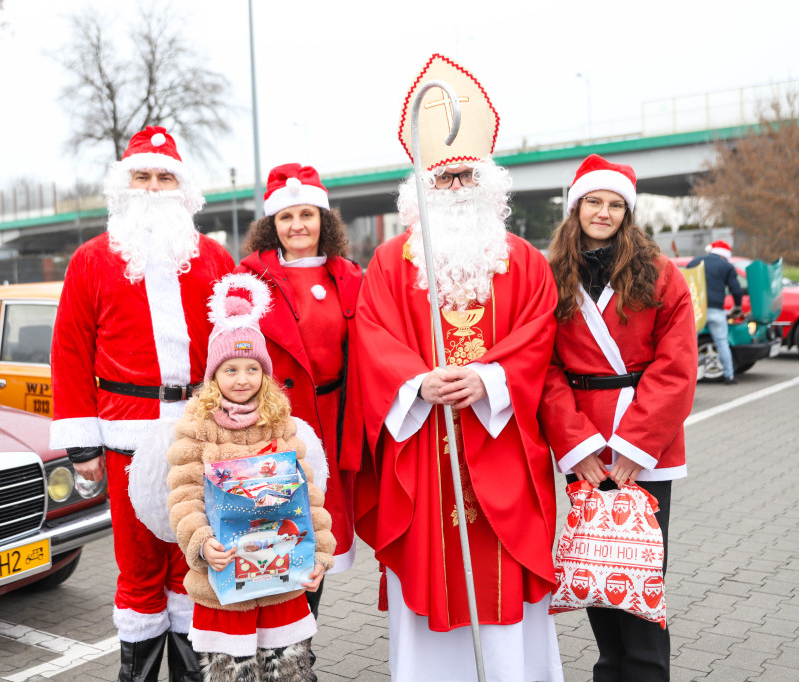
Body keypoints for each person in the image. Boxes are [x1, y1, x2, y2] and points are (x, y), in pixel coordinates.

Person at [354, 54, 564, 681]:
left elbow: (539, 334)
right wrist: (418, 382)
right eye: (443, 178)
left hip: (503, 448)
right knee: (430, 574)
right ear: (421, 187)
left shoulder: (525, 262)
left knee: (505, 589)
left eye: (466, 176)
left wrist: (489, 379)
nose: (455, 188)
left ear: (489, 184)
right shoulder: (389, 263)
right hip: (426, 451)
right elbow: (373, 337)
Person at [50, 125, 234, 682]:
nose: (153, 187)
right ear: (124, 185)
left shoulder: (214, 258)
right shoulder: (90, 260)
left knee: (195, 562)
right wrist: (81, 444)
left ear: (182, 188)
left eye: (164, 177)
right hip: (126, 436)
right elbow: (70, 352)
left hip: (200, 434)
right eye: (142, 176)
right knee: (138, 571)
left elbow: (237, 349)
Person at [539, 154, 697, 681]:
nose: (603, 212)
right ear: (576, 207)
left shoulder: (661, 274)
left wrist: (635, 446)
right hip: (583, 445)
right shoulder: (551, 276)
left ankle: (647, 672)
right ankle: (609, 670)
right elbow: (545, 368)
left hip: (645, 447)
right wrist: (577, 445)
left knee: (640, 572)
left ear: (627, 213)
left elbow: (677, 366)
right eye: (593, 201)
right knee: (596, 567)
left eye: (614, 205)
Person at [166, 273, 335, 682]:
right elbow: (184, 496)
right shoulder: (198, 427)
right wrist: (201, 543)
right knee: (232, 668)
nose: (242, 379)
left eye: (252, 368)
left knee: (286, 665)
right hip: (226, 579)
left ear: (264, 373)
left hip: (280, 576)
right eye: (230, 369)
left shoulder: (280, 422)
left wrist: (320, 553)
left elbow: (308, 496)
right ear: (213, 375)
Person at [236, 162, 364, 617]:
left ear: (323, 220)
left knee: (315, 535)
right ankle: (279, 639)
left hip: (332, 424)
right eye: (286, 217)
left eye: (306, 214)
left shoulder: (349, 276)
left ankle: (301, 640)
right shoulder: (248, 281)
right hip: (274, 424)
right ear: (271, 224)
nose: (297, 225)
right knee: (275, 532)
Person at [687, 239, 743, 384]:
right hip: (716, 310)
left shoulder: (694, 262)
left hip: (696, 310)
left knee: (691, 345)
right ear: (725, 255)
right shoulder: (727, 266)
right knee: (722, 343)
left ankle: (690, 378)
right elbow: (736, 290)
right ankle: (729, 376)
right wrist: (737, 307)